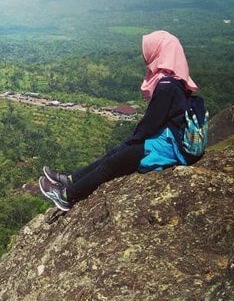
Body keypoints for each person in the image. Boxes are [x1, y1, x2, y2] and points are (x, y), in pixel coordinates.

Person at [39, 30, 201, 212]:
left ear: (160, 51)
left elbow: (150, 125)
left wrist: (132, 141)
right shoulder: (177, 79)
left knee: (111, 164)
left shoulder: (166, 86)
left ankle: (67, 196)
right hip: (169, 138)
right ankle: (71, 179)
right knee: (115, 153)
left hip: (169, 147)